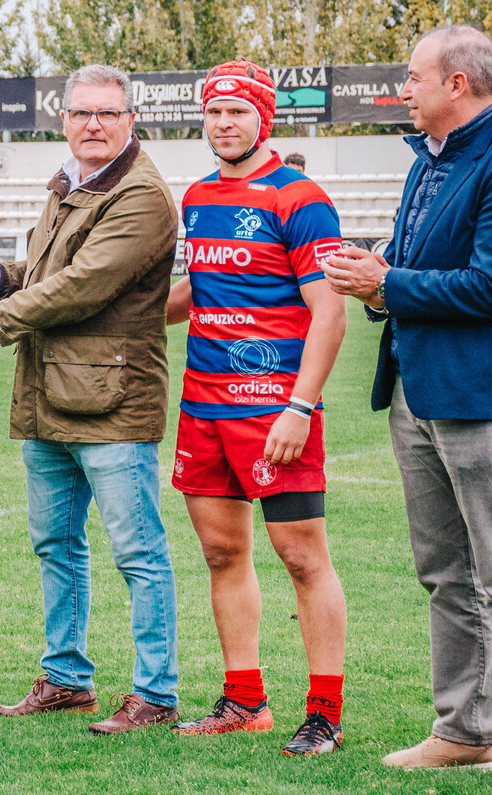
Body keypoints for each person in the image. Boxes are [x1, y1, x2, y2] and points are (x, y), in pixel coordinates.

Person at [323, 26, 492, 795]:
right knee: (446, 574)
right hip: (418, 391)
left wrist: (384, 285)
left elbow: (489, 288)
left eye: (413, 75)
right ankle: (466, 730)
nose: (404, 87)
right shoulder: (427, 162)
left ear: (457, 83)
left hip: (486, 399)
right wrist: (378, 276)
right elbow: (415, 268)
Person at [0, 64, 180, 735]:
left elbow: (84, 285)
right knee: (56, 545)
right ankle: (67, 678)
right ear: (63, 118)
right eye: (81, 113)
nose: (93, 124)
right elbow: (48, 270)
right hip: (50, 396)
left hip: (114, 401)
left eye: (107, 113)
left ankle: (156, 690)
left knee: (138, 552)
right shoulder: (71, 183)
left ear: (131, 119)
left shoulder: (143, 194)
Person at [164, 59, 348, 757]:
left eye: (237, 112)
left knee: (302, 556)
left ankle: (324, 713)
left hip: (275, 409)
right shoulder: (198, 194)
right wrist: (120, 310)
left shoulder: (300, 197)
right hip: (203, 405)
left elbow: (327, 313)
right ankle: (246, 699)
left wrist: (300, 406)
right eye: (214, 112)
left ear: (263, 118)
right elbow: (198, 295)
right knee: (220, 551)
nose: (223, 124)